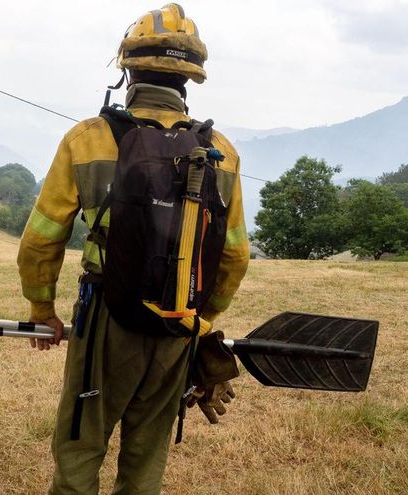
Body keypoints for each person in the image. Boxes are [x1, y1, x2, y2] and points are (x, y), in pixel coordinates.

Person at [17, 4, 250, 493]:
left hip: (107, 315)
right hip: (177, 322)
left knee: (82, 445)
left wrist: (42, 307)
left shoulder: (88, 139)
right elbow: (235, 255)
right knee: (146, 456)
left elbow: (41, 237)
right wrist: (199, 319)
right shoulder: (221, 153)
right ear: (191, 79)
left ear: (127, 69)